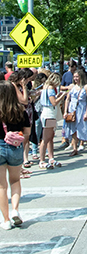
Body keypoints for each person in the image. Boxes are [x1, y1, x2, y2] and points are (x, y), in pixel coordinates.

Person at [0, 80, 29, 229]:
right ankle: (15, 210)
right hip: (15, 148)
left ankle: (5, 220)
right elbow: (27, 133)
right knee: (15, 181)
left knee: (1, 186)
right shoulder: (20, 110)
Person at [38, 73, 66, 169]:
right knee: (46, 138)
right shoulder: (50, 89)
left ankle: (51, 157)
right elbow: (53, 102)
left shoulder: (45, 87)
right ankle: (42, 160)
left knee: (50, 137)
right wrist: (62, 97)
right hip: (49, 114)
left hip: (49, 113)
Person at [64, 68, 87, 156]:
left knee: (84, 128)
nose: (75, 78)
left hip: (82, 108)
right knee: (73, 129)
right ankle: (74, 148)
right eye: (74, 77)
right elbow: (67, 99)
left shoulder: (86, 87)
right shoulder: (71, 86)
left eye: (77, 76)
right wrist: (65, 111)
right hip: (72, 109)